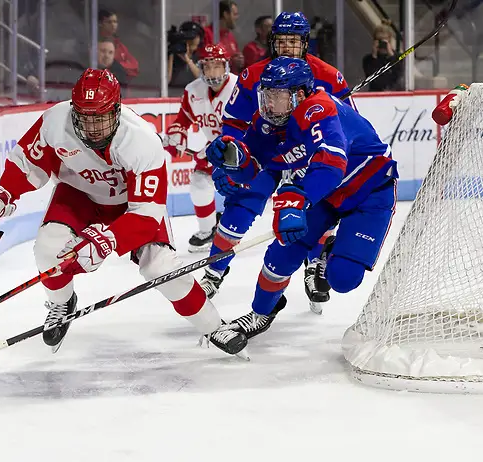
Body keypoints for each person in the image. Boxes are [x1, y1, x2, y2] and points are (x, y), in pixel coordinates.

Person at [0, 68, 247, 356]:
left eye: (100, 117)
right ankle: (62, 303)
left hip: (131, 207)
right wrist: (2, 195)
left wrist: (109, 240)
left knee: (160, 267)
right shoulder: (56, 121)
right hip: (79, 194)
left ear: (116, 110)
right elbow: (27, 163)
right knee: (47, 247)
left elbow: (146, 213)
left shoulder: (141, 141)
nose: (92, 127)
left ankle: (214, 326)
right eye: (85, 117)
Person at [206, 57, 397, 340]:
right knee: (283, 252)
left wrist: (300, 198)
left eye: (276, 96)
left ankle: (328, 250)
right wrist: (233, 163)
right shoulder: (268, 121)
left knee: (342, 279)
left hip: (369, 192)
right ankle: (261, 313)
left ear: (299, 94)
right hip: (325, 196)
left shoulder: (319, 109)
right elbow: (255, 166)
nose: (269, 104)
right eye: (266, 95)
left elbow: (332, 165)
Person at [200, 11, 354, 313]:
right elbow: (234, 122)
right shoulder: (254, 75)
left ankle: (313, 268)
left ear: (305, 43)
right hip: (268, 151)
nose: (286, 47)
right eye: (281, 41)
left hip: (307, 158)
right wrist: (231, 154)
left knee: (313, 211)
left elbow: (347, 125)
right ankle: (214, 272)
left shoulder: (329, 76)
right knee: (240, 207)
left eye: (293, 42)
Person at [163, 43, 236, 252]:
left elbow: (246, 127)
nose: (212, 72)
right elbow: (182, 120)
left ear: (226, 66)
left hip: (245, 148)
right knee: (199, 181)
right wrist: (176, 136)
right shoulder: (193, 91)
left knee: (241, 190)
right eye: (208, 66)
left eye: (217, 66)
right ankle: (209, 230)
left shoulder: (239, 88)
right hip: (214, 148)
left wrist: (216, 147)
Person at [203, 1, 243, 74]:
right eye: (235, 14)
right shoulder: (207, 33)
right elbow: (205, 61)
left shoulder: (230, 35)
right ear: (226, 14)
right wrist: (231, 60)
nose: (237, 18)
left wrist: (239, 60)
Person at [98, 9, 139, 80]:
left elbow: (134, 67)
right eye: (109, 22)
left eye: (115, 22)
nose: (113, 25)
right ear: (100, 23)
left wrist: (119, 66)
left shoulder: (119, 45)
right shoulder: (94, 42)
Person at [362, 21, 402, 92]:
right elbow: (371, 78)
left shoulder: (398, 57)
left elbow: (398, 76)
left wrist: (391, 56)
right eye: (379, 41)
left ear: (389, 41)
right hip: (375, 94)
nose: (382, 44)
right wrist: (374, 56)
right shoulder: (368, 60)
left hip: (394, 94)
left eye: (384, 40)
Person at [167, 21, 203, 89]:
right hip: (173, 94)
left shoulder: (198, 57)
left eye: (198, 37)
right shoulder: (173, 55)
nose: (195, 40)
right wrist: (171, 54)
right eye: (192, 37)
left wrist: (188, 60)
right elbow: (166, 80)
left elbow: (202, 79)